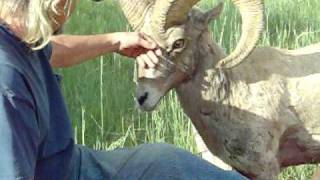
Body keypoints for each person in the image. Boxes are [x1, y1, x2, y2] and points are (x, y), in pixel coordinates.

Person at [0, 0, 247, 179]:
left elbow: (52, 48)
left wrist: (116, 41)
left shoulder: (20, 36)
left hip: (72, 163)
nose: (73, 9)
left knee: (168, 163)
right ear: (57, 3)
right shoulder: (6, 82)